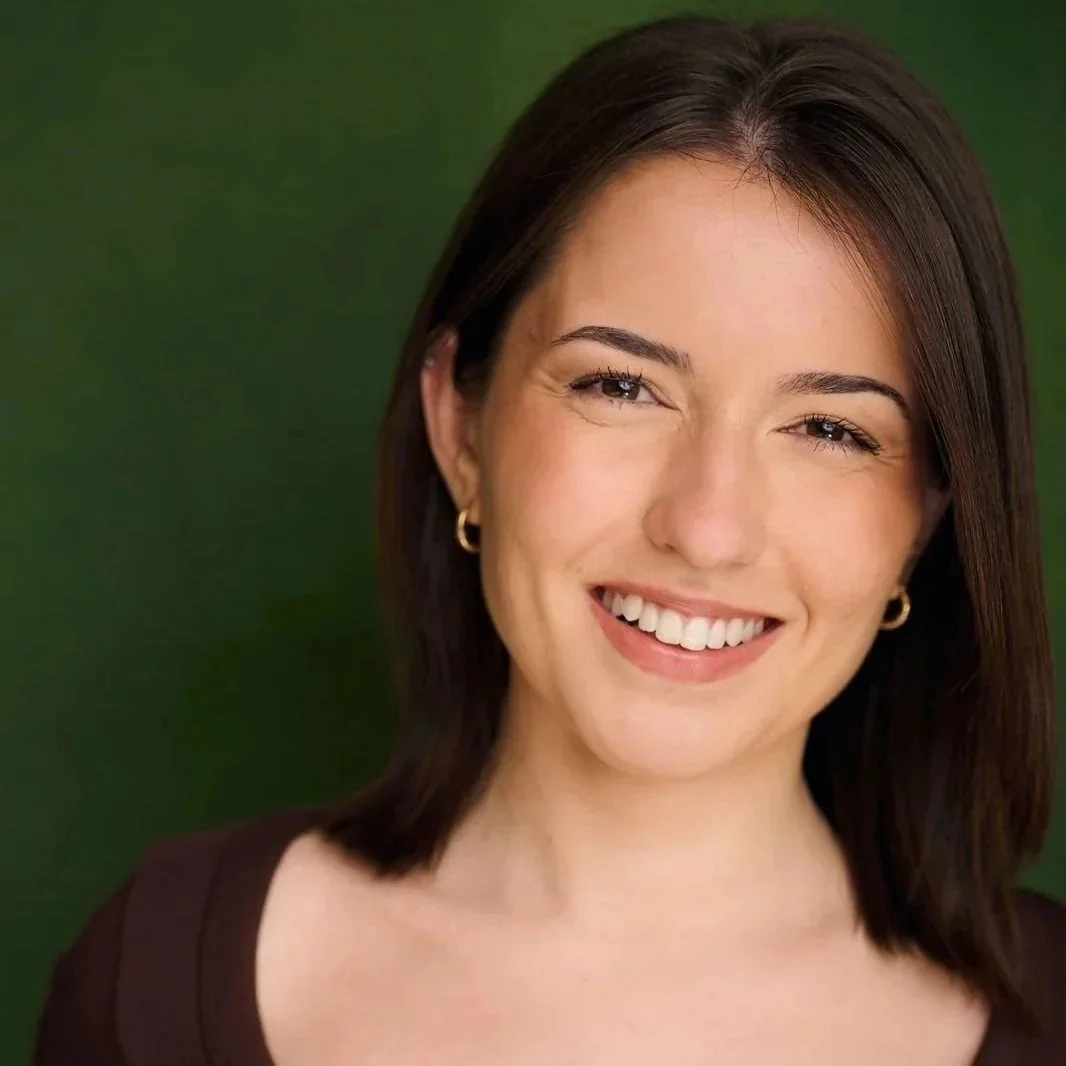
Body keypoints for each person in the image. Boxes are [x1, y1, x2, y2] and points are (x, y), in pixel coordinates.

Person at [35, 14, 1064, 1066]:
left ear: (924, 519)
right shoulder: (151, 992)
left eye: (829, 431)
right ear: (460, 425)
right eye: (620, 386)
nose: (706, 528)